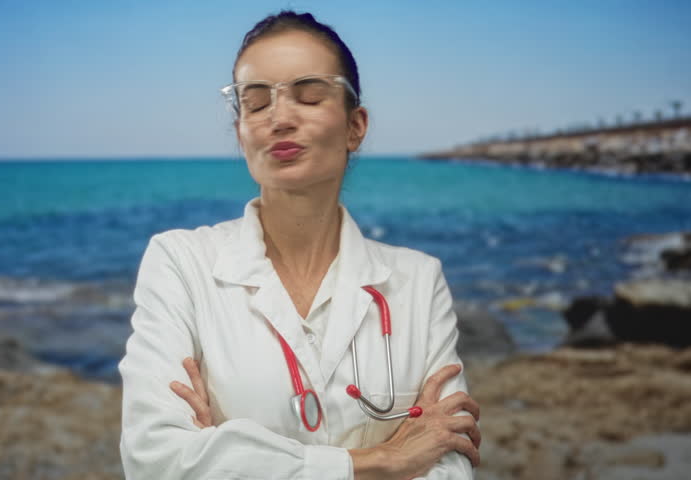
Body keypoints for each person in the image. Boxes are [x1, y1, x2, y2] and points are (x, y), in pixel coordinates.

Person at [119, 10, 481, 479]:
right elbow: (157, 461)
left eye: (309, 95)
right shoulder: (181, 262)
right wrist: (380, 461)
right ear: (240, 132)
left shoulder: (417, 279)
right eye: (255, 102)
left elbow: (449, 464)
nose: (280, 118)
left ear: (356, 126)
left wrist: (227, 454)